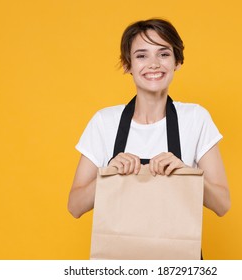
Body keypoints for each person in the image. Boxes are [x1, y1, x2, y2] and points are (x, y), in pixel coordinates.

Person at [68, 18, 230, 220]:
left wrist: (187, 174)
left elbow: (222, 204)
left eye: (163, 54)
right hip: (119, 251)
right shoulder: (104, 122)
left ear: (177, 62)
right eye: (141, 56)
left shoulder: (196, 119)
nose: (153, 64)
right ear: (128, 65)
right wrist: (108, 175)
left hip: (177, 251)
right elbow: (75, 206)